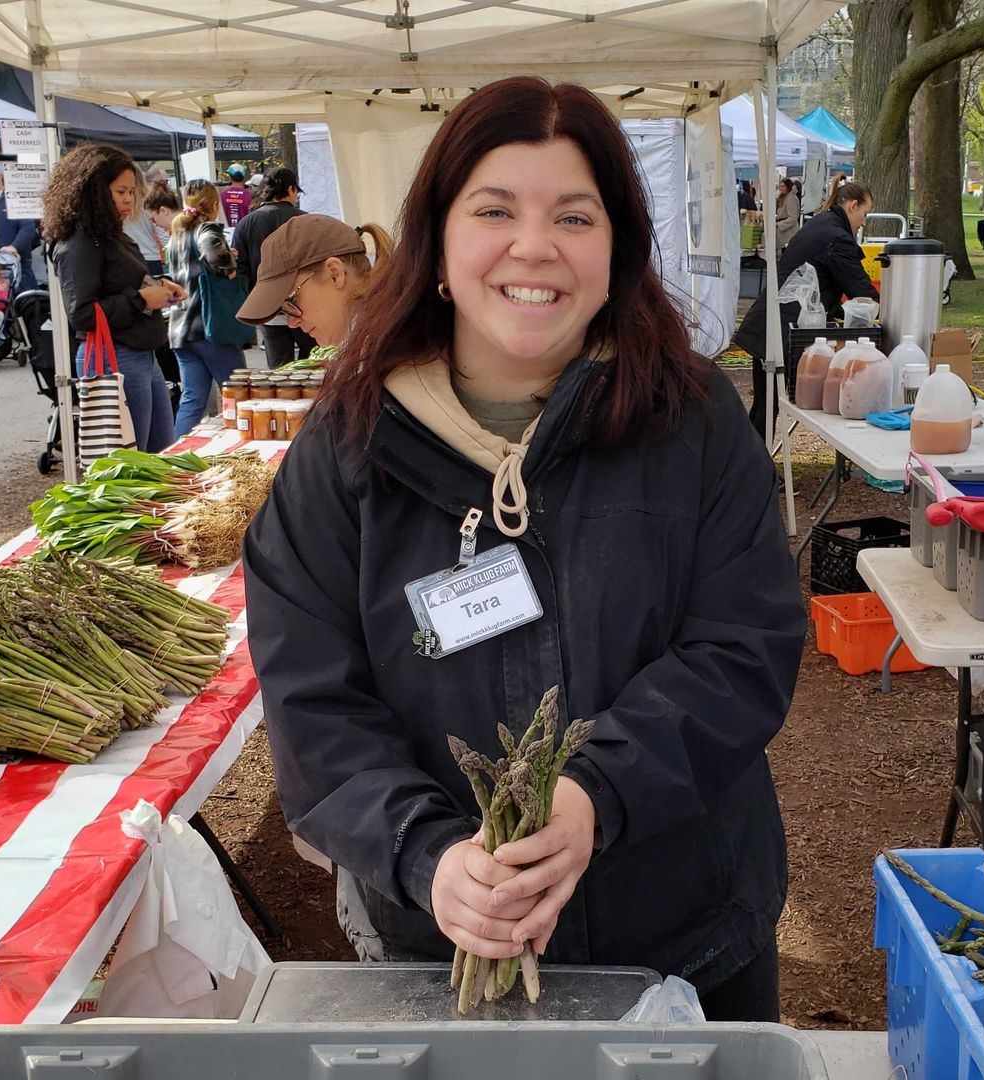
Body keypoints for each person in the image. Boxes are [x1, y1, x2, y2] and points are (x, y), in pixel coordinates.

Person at [243, 76, 802, 1021]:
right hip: (434, 952)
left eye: (574, 217)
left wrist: (596, 797)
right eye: (495, 209)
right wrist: (429, 857)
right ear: (438, 238)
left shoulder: (694, 418)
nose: (534, 246)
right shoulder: (348, 443)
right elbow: (312, 695)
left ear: (617, 244)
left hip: (685, 941)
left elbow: (742, 646)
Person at [45, 143, 184, 453]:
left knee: (159, 457)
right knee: (133, 466)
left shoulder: (109, 235)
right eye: (121, 192)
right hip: (114, 358)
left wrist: (158, 286)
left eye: (131, 192)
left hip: (140, 356)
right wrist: (141, 299)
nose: (129, 200)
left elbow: (120, 283)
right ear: (94, 191)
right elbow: (81, 314)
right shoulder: (79, 244)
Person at [730, 179, 879, 432]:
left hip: (769, 322)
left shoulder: (821, 223)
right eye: (865, 213)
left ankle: (753, 465)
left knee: (764, 408)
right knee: (767, 408)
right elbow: (861, 291)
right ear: (853, 206)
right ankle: (754, 468)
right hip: (780, 329)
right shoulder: (837, 238)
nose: (864, 221)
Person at [163, 179, 254, 437]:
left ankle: (176, 456)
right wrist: (231, 265)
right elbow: (215, 256)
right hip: (210, 326)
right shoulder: (206, 230)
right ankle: (240, 444)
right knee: (238, 392)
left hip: (181, 327)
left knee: (192, 399)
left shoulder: (177, 235)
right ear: (215, 205)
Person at [236, 213, 394, 350]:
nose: (292, 322)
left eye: (291, 300)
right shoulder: (371, 343)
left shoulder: (398, 354)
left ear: (335, 273)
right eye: (283, 310)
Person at [232, 167, 316, 366]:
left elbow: (240, 270)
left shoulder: (246, 223)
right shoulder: (306, 221)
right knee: (312, 367)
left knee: (279, 371)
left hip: (266, 308)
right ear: (290, 189)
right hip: (305, 306)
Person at [139, 180, 179, 276]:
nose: (155, 224)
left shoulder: (182, 235)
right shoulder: (178, 234)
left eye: (153, 220)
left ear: (163, 211)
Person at [220, 164, 254, 229]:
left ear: (230, 177)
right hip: (244, 234)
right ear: (243, 177)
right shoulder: (250, 195)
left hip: (225, 233)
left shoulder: (222, 195)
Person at [773, 177, 802, 252]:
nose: (780, 188)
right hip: (784, 232)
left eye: (783, 186)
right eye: (780, 186)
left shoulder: (791, 198)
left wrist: (779, 224)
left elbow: (793, 218)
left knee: (787, 253)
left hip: (789, 232)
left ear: (788, 187)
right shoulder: (783, 197)